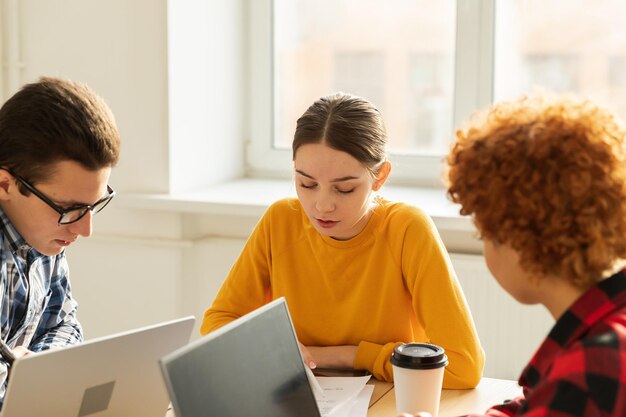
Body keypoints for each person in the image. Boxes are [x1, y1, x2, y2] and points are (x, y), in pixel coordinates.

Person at [202, 92, 484, 388]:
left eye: (345, 189)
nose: (322, 205)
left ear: (380, 176)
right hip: (301, 398)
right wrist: (267, 349)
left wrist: (347, 356)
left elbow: (463, 366)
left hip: (391, 398)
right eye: (306, 183)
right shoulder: (280, 221)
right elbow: (216, 324)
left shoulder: (407, 229)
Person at [437, 93, 626, 416]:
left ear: (518, 239)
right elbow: (537, 402)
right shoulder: (607, 328)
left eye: (485, 232)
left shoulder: (584, 376)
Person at [0, 77, 120, 403]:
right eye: (69, 209)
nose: (85, 229)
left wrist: (39, 368)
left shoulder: (44, 233)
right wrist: (23, 379)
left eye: (94, 205)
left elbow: (64, 323)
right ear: (5, 184)